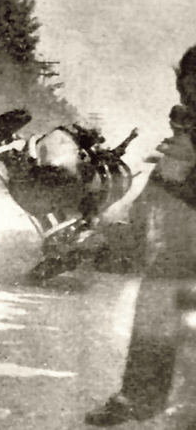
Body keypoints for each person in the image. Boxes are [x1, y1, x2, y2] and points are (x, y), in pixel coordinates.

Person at [84, 44, 196, 427]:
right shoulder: (183, 131)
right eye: (187, 91)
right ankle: (138, 397)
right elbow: (158, 188)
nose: (189, 100)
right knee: (154, 305)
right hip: (177, 251)